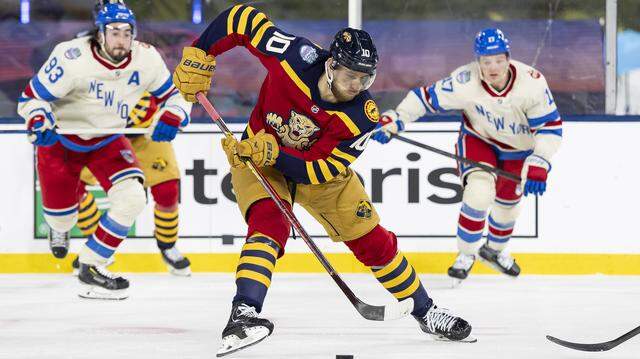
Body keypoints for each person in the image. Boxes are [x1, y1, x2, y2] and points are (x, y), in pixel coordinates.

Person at [172, 4, 473, 356]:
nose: (357, 85)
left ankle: (426, 311)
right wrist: (201, 50)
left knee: (373, 241)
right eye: (351, 76)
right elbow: (242, 19)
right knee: (269, 227)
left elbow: (320, 169)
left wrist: (272, 153)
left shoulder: (362, 115)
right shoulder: (294, 56)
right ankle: (244, 314)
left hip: (317, 175)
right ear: (330, 65)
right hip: (256, 159)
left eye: (366, 78)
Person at [17, 2, 192, 299]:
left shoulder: (146, 58)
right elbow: (30, 98)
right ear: (99, 33)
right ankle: (60, 226)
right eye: (114, 32)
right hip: (61, 143)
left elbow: (176, 94)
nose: (121, 40)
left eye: (127, 33)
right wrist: (38, 118)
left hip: (107, 140)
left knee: (133, 198)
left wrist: (173, 113)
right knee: (62, 219)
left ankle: (91, 266)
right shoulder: (71, 56)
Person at [372, 28, 562, 282]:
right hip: (479, 141)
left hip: (519, 150)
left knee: (508, 209)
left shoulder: (532, 83)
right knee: (479, 193)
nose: (493, 67)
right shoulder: (464, 81)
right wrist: (396, 119)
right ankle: (466, 254)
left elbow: (550, 127)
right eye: (486, 61)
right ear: (478, 62)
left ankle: (493, 251)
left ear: (507, 58)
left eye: (498, 59)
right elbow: (423, 98)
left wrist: (540, 160)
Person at [70, 91, 191, 276]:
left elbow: (171, 88)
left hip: (145, 133)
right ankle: (97, 247)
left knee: (167, 191)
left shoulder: (147, 64)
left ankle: (168, 246)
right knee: (72, 187)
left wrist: (173, 111)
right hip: (103, 136)